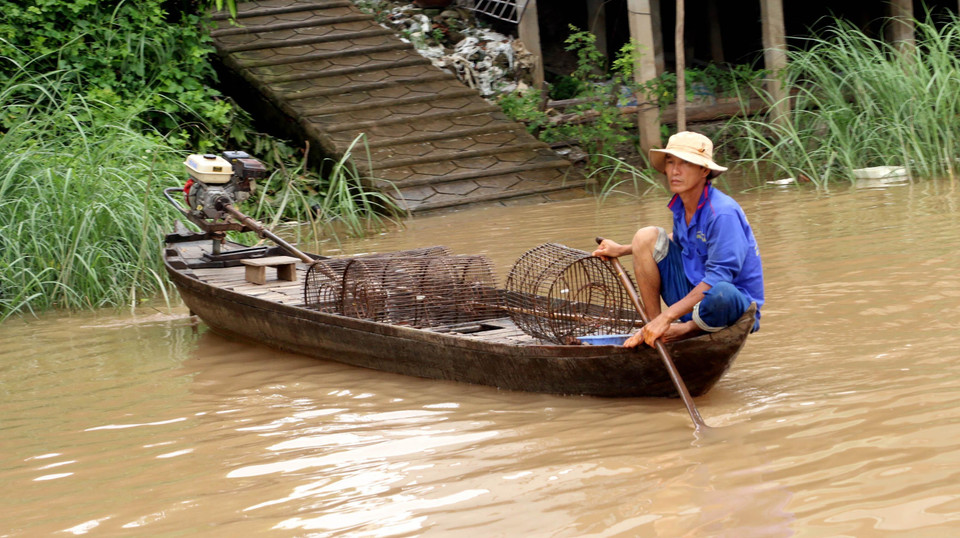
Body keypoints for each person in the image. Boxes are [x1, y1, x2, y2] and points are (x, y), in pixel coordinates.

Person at [593, 131, 764, 348]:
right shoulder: (682, 205)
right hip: (694, 291)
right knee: (645, 236)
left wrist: (669, 316)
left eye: (685, 163)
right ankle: (652, 328)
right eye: (671, 162)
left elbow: (720, 275)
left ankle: (684, 329)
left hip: (727, 305)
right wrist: (624, 249)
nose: (674, 171)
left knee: (722, 291)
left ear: (704, 170)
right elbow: (684, 240)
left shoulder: (722, 213)